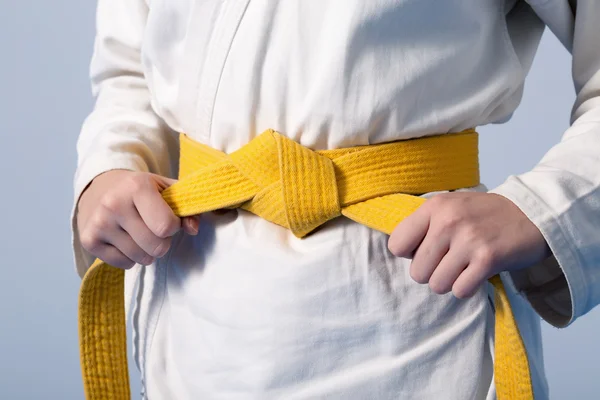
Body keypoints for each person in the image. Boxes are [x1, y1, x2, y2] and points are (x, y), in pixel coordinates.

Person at [71, 1, 600, 399]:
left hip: (417, 303)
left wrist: (544, 208)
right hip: (196, 312)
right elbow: (134, 63)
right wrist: (112, 166)